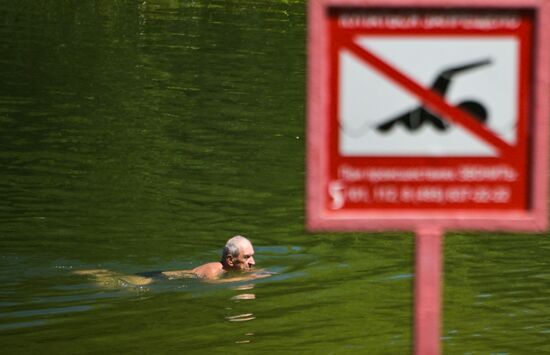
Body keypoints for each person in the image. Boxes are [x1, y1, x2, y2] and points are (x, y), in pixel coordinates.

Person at [74, 235, 266, 287]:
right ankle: (85, 273)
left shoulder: (224, 270)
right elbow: (211, 284)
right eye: (247, 257)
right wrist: (249, 279)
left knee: (113, 277)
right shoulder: (214, 270)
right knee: (111, 284)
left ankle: (91, 272)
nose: (253, 262)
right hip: (155, 280)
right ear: (231, 261)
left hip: (160, 276)